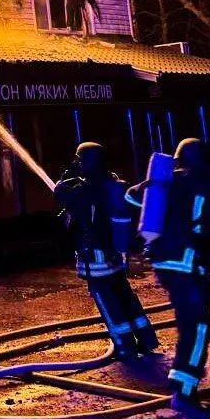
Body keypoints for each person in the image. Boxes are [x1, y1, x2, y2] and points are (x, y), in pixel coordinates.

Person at [128, 137, 210, 419]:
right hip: (191, 266)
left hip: (165, 263)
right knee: (197, 328)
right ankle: (184, 392)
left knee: (189, 325)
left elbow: (130, 196)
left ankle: (183, 384)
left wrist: (156, 183)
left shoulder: (165, 183)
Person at [53, 142, 159, 360]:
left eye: (80, 159)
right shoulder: (113, 184)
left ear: (89, 162)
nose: (77, 163)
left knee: (108, 302)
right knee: (124, 296)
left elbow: (61, 193)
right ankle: (146, 338)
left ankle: (124, 346)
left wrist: (66, 175)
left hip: (96, 259)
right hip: (117, 257)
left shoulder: (85, 191)